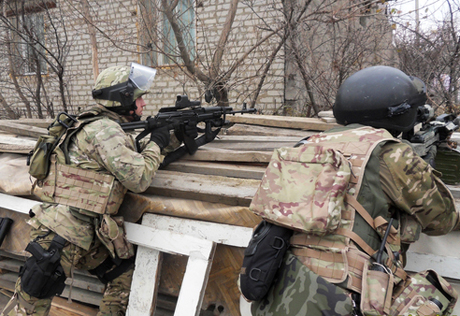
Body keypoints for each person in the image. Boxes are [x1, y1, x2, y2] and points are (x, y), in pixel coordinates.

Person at [250, 65, 460, 316]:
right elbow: (442, 220)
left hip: (282, 288)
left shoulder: (305, 146)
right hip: (344, 298)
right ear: (400, 114)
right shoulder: (391, 154)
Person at [1, 62, 195, 316]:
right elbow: (138, 177)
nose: (143, 104)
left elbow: (130, 159)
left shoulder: (103, 126)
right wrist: (157, 143)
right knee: (28, 308)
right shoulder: (104, 130)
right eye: (139, 99)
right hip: (63, 234)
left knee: (123, 277)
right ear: (122, 98)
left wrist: (172, 137)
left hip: (90, 233)